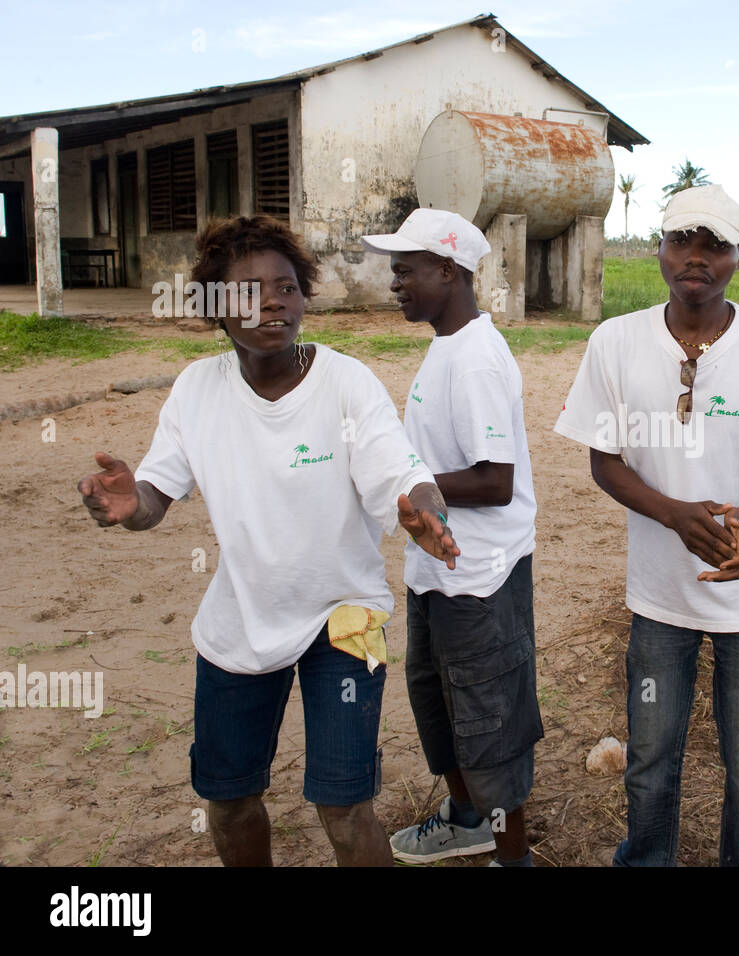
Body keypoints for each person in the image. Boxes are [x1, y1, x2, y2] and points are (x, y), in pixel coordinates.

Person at [77, 215, 459, 867]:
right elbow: (152, 499)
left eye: (285, 286)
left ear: (304, 296)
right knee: (227, 801)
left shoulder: (346, 382)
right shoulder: (198, 391)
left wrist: (424, 511)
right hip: (243, 619)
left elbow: (400, 471)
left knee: (343, 807)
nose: (272, 302)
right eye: (248, 291)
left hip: (347, 617)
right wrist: (127, 503)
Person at [555, 185, 739, 866]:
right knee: (650, 765)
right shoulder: (616, 342)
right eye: (683, 240)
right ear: (660, 248)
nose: (697, 256)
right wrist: (674, 515)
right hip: (660, 598)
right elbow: (605, 461)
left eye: (715, 244)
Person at [362, 209, 543, 867]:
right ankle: (467, 820)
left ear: (447, 270)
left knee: (491, 725)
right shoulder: (448, 347)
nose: (395, 284)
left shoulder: (475, 360)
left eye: (405, 271)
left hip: (482, 580)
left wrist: (408, 482)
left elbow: (496, 481)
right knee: (441, 707)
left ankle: (511, 856)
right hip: (438, 572)